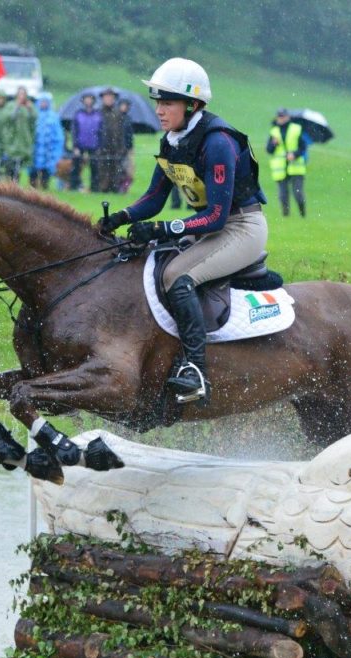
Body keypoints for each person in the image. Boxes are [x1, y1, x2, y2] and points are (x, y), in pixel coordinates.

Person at [97, 58, 268, 405]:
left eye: (168, 102)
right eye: (157, 101)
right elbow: (154, 198)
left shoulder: (217, 142)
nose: (159, 110)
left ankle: (195, 371)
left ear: (193, 104)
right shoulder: (172, 140)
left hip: (242, 227)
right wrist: (120, 218)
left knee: (177, 276)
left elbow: (217, 216)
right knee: (145, 261)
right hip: (209, 228)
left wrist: (163, 229)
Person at [266, 108, 308, 217]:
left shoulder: (296, 129)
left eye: (283, 116)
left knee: (298, 193)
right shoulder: (274, 131)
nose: (281, 118)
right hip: (280, 168)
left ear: (288, 117)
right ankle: (286, 215)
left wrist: (294, 154)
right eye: (279, 116)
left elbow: (303, 147)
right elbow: (269, 150)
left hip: (295, 167)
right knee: (283, 195)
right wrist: (273, 144)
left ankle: (302, 214)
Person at [29, 91, 64, 190]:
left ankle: (45, 188)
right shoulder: (34, 115)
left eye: (45, 102)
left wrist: (56, 151)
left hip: (48, 151)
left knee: (46, 172)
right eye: (41, 101)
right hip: (35, 150)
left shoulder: (54, 117)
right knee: (33, 172)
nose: (43, 104)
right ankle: (32, 190)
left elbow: (58, 136)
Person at [96, 87, 128, 193]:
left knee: (116, 169)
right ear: (103, 98)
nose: (109, 99)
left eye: (111, 97)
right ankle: (103, 188)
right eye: (107, 97)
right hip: (102, 146)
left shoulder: (118, 113)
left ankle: (114, 188)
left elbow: (121, 132)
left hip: (116, 146)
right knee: (102, 169)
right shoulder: (98, 113)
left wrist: (122, 147)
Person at [1, 86, 35, 184]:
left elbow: (33, 121)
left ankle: (15, 185)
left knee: (18, 167)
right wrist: (17, 107)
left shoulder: (28, 106)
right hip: (12, 140)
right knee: (10, 165)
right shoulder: (11, 105)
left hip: (23, 141)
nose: (22, 96)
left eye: (23, 94)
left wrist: (30, 110)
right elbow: (7, 118)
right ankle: (8, 183)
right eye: (20, 94)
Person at [70, 92, 100, 192]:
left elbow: (101, 131)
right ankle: (75, 186)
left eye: (90, 99)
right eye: (86, 99)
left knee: (94, 168)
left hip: (94, 145)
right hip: (80, 145)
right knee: (77, 167)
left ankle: (94, 187)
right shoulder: (78, 114)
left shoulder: (98, 114)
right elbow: (74, 131)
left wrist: (100, 146)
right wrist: (75, 146)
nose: (88, 101)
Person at [118, 98, 135, 193]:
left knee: (128, 169)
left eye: (126, 105)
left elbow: (129, 135)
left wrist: (130, 147)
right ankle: (119, 186)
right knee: (119, 168)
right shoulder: (117, 118)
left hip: (127, 149)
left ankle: (125, 187)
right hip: (118, 149)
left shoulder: (128, 119)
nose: (124, 107)